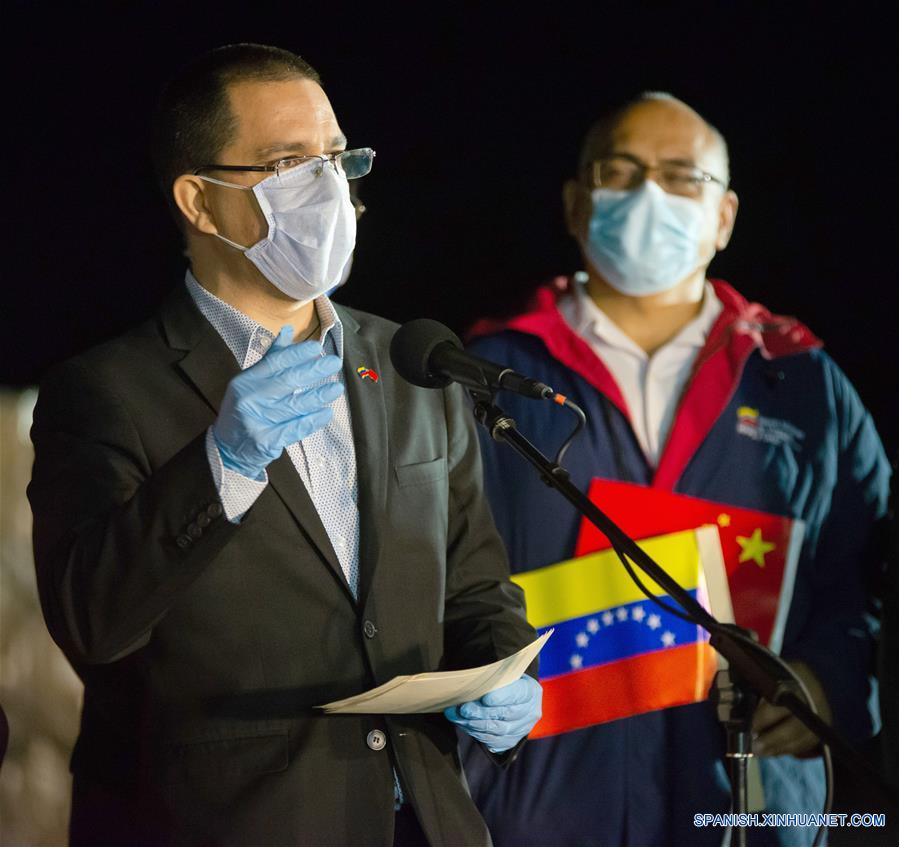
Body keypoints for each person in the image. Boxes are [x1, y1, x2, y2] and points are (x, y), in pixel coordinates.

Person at [27, 43, 541, 847]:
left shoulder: (411, 362)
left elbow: (475, 585)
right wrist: (221, 464)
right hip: (225, 823)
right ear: (198, 200)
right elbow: (93, 622)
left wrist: (507, 670)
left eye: (337, 158)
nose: (329, 188)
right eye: (289, 162)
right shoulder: (106, 391)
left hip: (420, 818)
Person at [460, 92, 890, 846]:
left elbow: (863, 583)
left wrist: (826, 683)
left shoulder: (803, 382)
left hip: (747, 808)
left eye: (679, 176)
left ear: (723, 216)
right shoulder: (485, 377)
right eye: (619, 171)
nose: (647, 194)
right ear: (574, 202)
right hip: (538, 810)